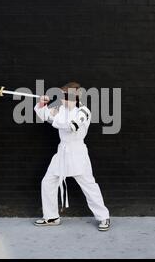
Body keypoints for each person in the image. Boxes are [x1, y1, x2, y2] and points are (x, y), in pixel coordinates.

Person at [33, 82, 111, 231]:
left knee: (89, 185)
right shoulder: (60, 109)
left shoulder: (84, 111)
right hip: (62, 152)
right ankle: (51, 217)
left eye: (66, 95)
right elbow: (45, 117)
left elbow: (72, 126)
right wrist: (42, 105)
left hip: (77, 153)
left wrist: (54, 118)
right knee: (48, 182)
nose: (63, 98)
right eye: (63, 95)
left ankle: (104, 217)